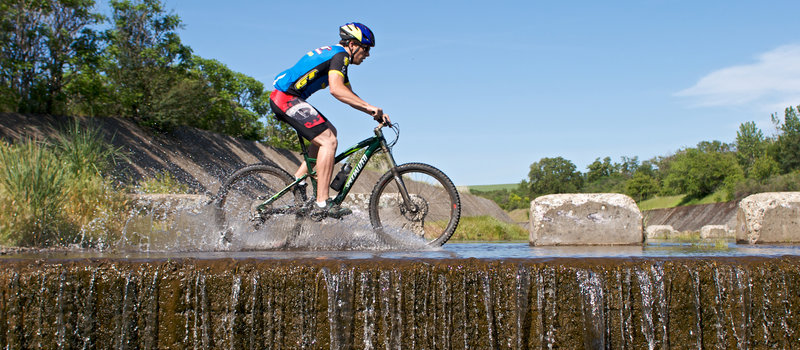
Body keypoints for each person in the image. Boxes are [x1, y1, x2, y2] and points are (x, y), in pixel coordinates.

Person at [270, 22, 390, 219]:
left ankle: (299, 180)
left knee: (330, 133)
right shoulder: (340, 56)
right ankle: (322, 202)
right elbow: (336, 89)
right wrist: (370, 108)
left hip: (287, 98)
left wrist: (372, 111)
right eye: (366, 49)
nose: (367, 54)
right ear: (352, 44)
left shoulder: (338, 58)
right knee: (329, 140)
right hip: (285, 98)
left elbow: (348, 94)